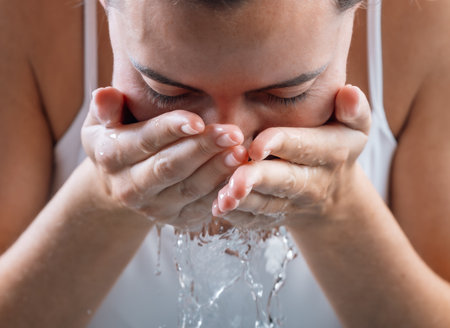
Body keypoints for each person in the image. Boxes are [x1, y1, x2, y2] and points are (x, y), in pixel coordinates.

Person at [0, 0, 449, 326]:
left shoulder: (430, 25)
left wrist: (335, 207)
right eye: (165, 90)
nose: (231, 145)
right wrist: (107, 196)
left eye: (286, 93)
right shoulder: (24, 20)